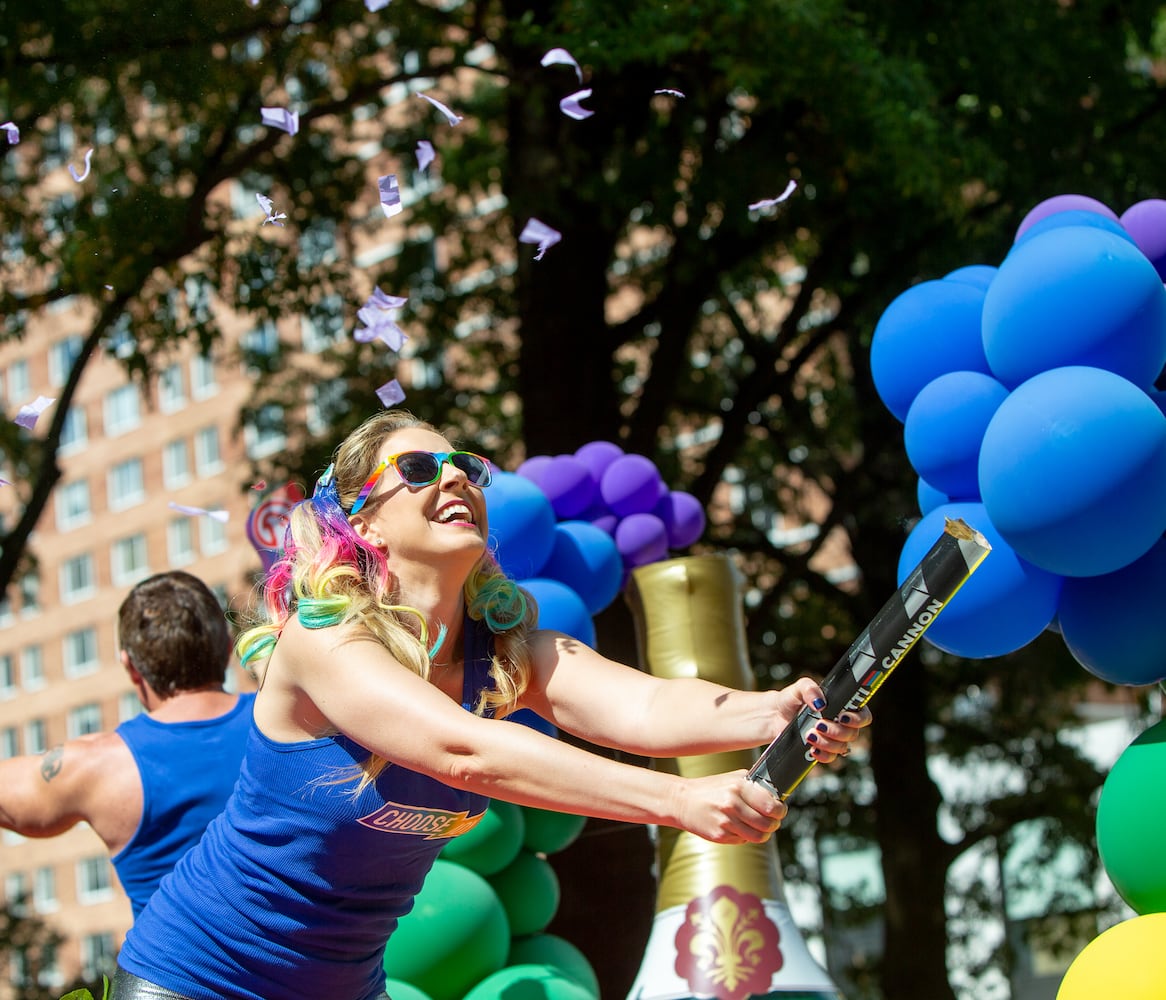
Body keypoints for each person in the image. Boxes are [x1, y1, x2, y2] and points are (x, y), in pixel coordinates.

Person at [112, 410, 870, 1000]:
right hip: (193, 979)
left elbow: (643, 708)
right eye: (418, 468)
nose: (456, 479)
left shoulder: (505, 653)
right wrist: (678, 799)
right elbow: (464, 751)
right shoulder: (323, 641)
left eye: (466, 467)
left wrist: (772, 711)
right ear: (363, 520)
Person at [0, 570, 255, 919]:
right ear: (228, 648)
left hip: (172, 973)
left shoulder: (101, 766)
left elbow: (15, 801)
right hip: (317, 970)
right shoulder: (293, 723)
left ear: (131, 667)